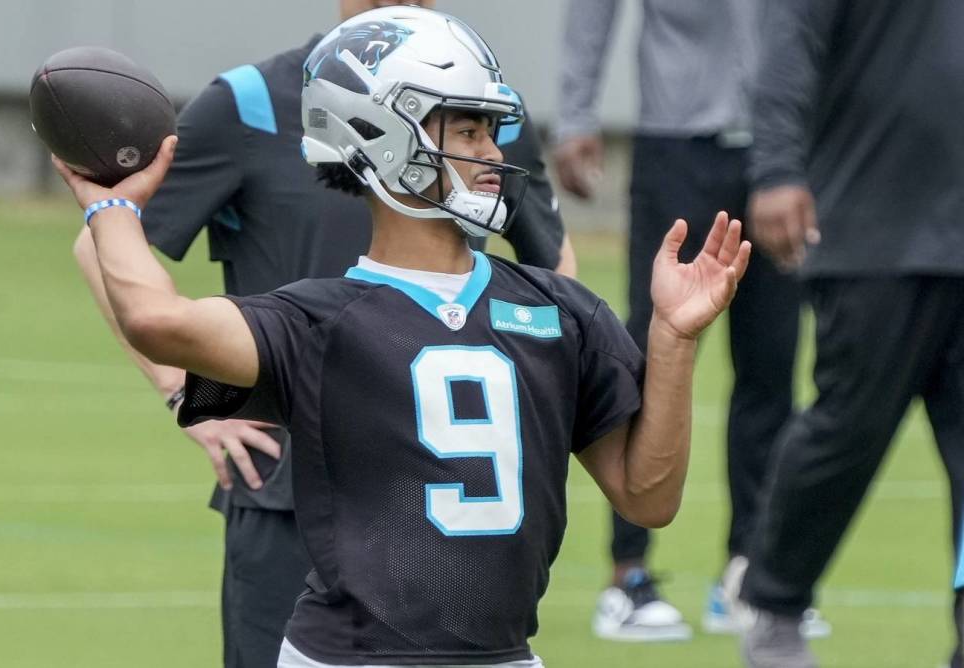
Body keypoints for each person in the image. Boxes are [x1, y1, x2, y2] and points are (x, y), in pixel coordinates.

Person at [56, 6, 750, 666]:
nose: (491, 151)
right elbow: (156, 319)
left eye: (489, 129)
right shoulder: (316, 322)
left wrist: (674, 338)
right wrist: (111, 207)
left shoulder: (559, 311)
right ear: (380, 135)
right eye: (468, 131)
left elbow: (649, 498)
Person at [552, 0, 806, 642]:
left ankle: (748, 575)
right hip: (676, 147)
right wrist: (577, 112)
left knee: (771, 363)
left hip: (776, 149)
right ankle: (627, 574)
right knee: (647, 352)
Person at [738, 1, 964, 666]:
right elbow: (788, 44)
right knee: (848, 428)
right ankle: (776, 607)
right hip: (875, 228)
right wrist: (777, 168)